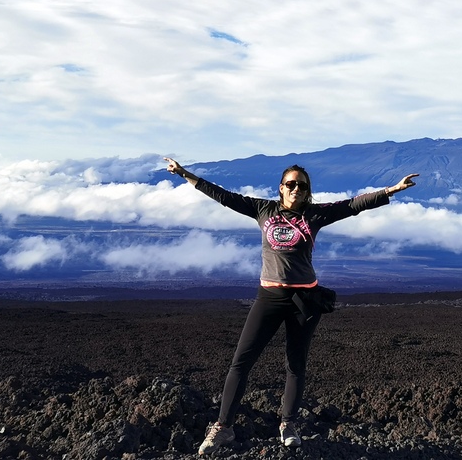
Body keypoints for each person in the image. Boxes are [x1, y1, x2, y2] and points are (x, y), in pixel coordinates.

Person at [163, 157, 418, 453]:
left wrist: (391, 190)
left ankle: (288, 423)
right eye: (290, 184)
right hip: (269, 297)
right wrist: (184, 174)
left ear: (307, 190)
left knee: (296, 364)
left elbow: (352, 205)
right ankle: (223, 427)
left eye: (301, 185)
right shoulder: (263, 210)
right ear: (281, 188)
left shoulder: (315, 215)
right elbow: (225, 197)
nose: (295, 188)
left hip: (304, 301)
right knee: (241, 363)